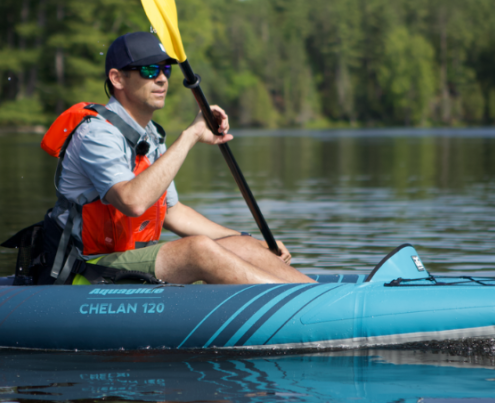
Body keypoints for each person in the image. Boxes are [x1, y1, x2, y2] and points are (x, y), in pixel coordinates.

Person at [39, 31, 313, 285]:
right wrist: (191, 136)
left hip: (122, 263)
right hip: (84, 270)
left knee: (245, 246)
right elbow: (132, 202)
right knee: (198, 249)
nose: (161, 78)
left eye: (165, 69)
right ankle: (304, 307)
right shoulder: (96, 134)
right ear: (117, 78)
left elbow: (172, 212)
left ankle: (314, 294)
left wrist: (247, 240)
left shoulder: (150, 135)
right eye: (149, 70)